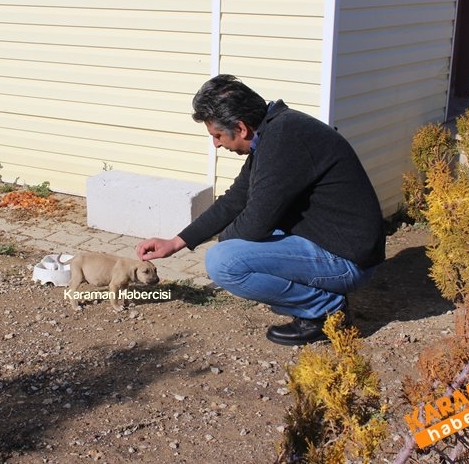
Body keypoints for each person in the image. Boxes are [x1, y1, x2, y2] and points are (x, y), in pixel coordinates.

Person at [136, 74, 386, 346]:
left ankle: (323, 312)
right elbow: (237, 198)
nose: (216, 144)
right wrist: (176, 242)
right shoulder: (275, 131)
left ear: (241, 128)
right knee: (234, 247)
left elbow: (256, 223)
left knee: (224, 262)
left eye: (217, 135)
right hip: (333, 242)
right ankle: (321, 302)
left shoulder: (283, 139)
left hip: (347, 260)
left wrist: (227, 245)